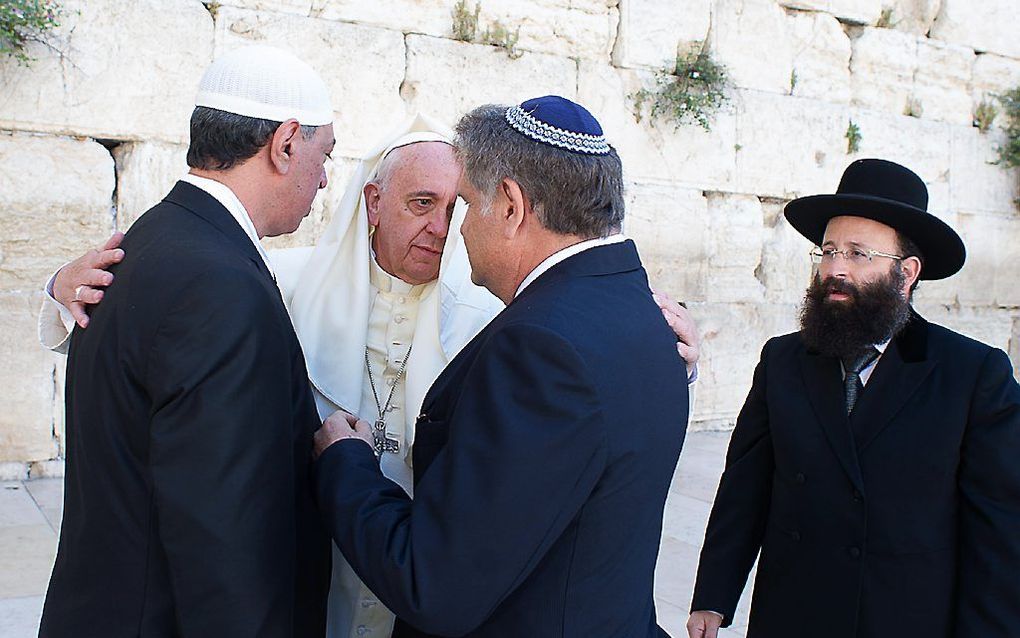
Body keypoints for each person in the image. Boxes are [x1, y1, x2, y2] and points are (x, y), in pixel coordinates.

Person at [42, 114, 703, 637]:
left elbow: (581, 401)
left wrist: (679, 359)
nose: (442, 229)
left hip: (420, 583)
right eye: (422, 202)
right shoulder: (272, 285)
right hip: (311, 570)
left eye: (456, 207)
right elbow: (155, 346)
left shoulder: (497, 318)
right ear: (374, 203)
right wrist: (61, 292)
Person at [313, 96, 689, 637]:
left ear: (510, 205)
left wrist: (345, 464)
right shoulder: (641, 312)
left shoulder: (540, 349)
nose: (456, 233)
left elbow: (435, 584)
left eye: (465, 204)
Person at [38, 45, 335, 637]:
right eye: (324, 154)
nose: (325, 178)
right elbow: (225, 539)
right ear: (285, 143)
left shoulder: (150, 239)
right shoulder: (222, 285)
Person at [686, 159, 1020, 638]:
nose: (835, 269)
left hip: (901, 619)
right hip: (791, 615)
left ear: (906, 274)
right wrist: (713, 597)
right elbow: (745, 489)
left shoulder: (973, 376)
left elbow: (998, 537)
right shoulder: (783, 361)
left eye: (858, 254)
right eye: (828, 251)